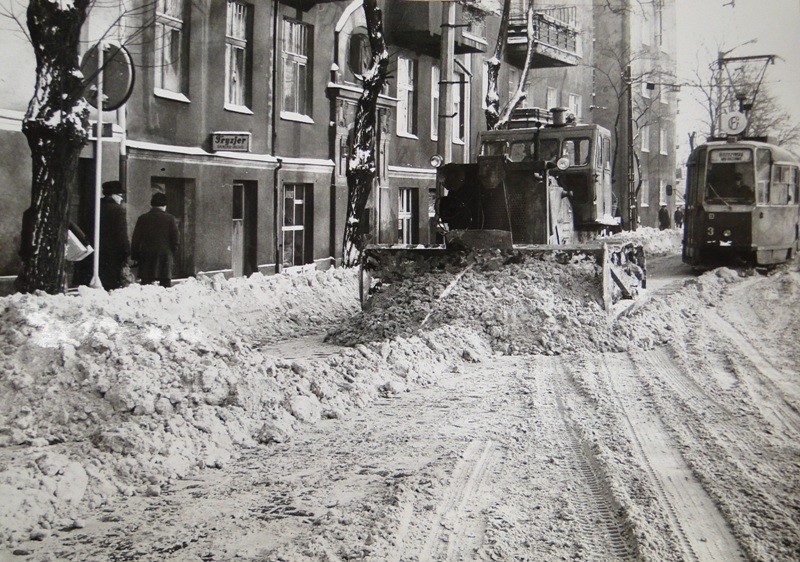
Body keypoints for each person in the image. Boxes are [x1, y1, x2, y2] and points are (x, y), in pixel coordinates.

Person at [131, 192, 180, 288]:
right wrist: (171, 251)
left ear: (151, 205)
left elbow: (136, 239)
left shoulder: (143, 218)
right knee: (165, 286)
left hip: (146, 256)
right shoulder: (170, 218)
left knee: (146, 286)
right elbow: (175, 238)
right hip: (165, 256)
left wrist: (135, 256)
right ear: (165, 206)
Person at [98, 180, 131, 290]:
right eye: (120, 195)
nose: (121, 198)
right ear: (113, 195)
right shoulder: (117, 210)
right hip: (113, 254)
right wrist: (126, 251)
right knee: (113, 286)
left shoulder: (97, 206)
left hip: (98, 253)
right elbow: (121, 233)